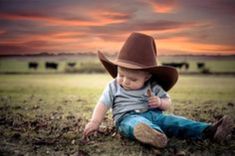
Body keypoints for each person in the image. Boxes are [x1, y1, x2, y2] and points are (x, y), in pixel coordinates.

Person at [83, 32, 233, 148]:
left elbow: (168, 103)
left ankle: (209, 131)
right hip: (126, 117)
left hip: (154, 115)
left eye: (133, 79)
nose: (125, 81)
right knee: (135, 124)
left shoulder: (153, 86)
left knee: (175, 121)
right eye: (121, 75)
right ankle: (154, 135)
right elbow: (103, 104)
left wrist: (160, 102)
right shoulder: (113, 86)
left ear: (147, 76)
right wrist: (95, 121)